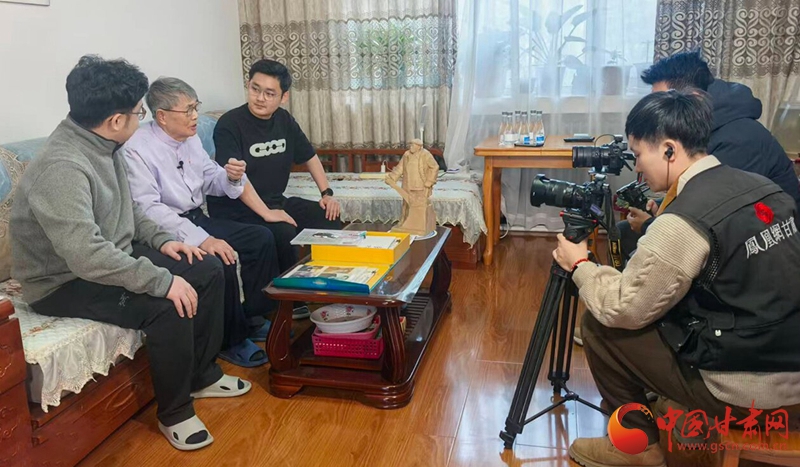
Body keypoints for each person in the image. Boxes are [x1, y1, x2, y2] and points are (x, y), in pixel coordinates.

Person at [9, 56, 250, 452]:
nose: (142, 121)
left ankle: (202, 375)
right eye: (140, 112)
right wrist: (162, 281)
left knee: (206, 268)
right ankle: (175, 413)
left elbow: (131, 208)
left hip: (107, 255)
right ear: (116, 120)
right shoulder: (62, 166)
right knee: (168, 304)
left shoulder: (106, 145)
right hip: (63, 281)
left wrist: (162, 240)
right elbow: (86, 255)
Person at [554, 90, 800, 467]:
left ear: (669, 149)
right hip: (789, 368)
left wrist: (581, 264)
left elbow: (621, 307)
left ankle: (636, 446)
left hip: (754, 395)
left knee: (600, 327)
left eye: (639, 154)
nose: (637, 169)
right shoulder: (763, 188)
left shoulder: (684, 221)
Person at [123, 77, 283, 366]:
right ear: (162, 116)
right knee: (221, 257)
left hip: (198, 216)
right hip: (166, 229)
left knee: (260, 238)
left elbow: (210, 177)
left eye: (196, 107)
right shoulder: (136, 148)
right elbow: (148, 209)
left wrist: (231, 177)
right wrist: (202, 240)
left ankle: (252, 318)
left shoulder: (190, 138)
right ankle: (230, 341)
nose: (195, 116)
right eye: (188, 110)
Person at [626, 50, 800, 255]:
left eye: (664, 103)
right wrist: (660, 207)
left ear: (694, 98)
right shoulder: (702, 131)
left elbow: (714, 216)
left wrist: (650, 225)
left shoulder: (739, 140)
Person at [207, 59, 342, 319]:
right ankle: (288, 302)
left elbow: (309, 156)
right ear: (248, 85)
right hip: (236, 208)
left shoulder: (284, 120)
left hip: (273, 201)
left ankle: (330, 289)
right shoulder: (230, 124)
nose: (260, 98)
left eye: (269, 93)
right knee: (282, 230)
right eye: (255, 89)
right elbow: (237, 180)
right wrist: (268, 213)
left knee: (327, 216)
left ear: (284, 97)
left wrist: (326, 194)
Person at [385, 138, 440, 235]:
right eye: (410, 145)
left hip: (419, 185)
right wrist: (392, 178)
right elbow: (400, 168)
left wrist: (429, 181)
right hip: (407, 184)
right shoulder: (407, 155)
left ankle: (419, 225)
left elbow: (435, 167)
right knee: (406, 204)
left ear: (419, 147)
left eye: (413, 145)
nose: (411, 147)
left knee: (418, 206)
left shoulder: (425, 154)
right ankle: (404, 221)